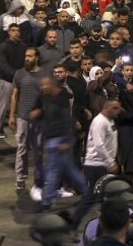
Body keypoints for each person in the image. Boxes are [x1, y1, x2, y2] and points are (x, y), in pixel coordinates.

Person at [28, 74, 87, 212]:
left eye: (45, 85)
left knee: (52, 171)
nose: (42, 88)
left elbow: (66, 120)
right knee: (69, 169)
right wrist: (36, 113)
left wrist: (67, 140)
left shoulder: (63, 98)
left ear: (52, 85)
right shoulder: (45, 97)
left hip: (61, 139)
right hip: (50, 138)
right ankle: (86, 192)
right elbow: (40, 112)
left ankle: (46, 201)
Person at [9, 47, 45, 191]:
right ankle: (20, 178)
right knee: (22, 148)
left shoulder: (44, 74)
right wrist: (12, 114)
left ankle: (38, 177)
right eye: (26, 56)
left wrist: (41, 111)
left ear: (37, 58)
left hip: (39, 119)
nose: (27, 58)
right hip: (22, 117)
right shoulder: (19, 73)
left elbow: (47, 98)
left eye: (30, 56)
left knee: (38, 149)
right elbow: (14, 96)